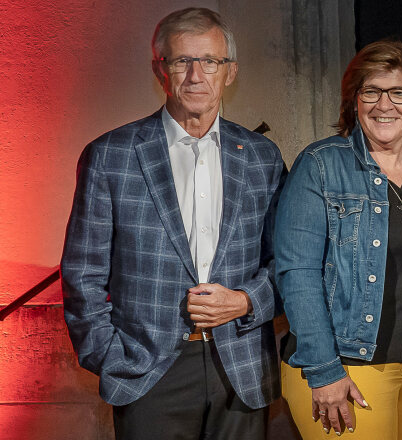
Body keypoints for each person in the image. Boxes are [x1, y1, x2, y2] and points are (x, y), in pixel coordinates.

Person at [60, 8, 284, 439]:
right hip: (147, 373)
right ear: (160, 69)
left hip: (239, 366)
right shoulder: (111, 155)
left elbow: (287, 262)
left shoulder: (262, 157)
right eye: (182, 61)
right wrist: (109, 355)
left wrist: (246, 301)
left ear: (230, 72)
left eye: (211, 61)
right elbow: (82, 273)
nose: (196, 75)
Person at [274, 40, 402, 439]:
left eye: (399, 93)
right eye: (371, 91)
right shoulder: (320, 164)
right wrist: (324, 372)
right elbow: (297, 274)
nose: (384, 105)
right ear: (354, 101)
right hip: (348, 367)